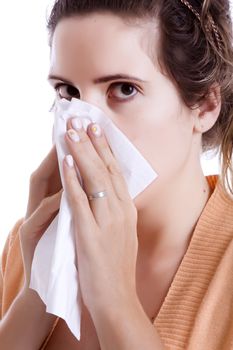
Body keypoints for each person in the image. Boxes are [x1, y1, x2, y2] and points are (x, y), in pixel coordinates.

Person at [0, 0, 233, 349]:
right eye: (68, 92)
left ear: (204, 104)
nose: (80, 123)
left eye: (123, 89)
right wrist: (39, 294)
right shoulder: (29, 243)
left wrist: (115, 301)